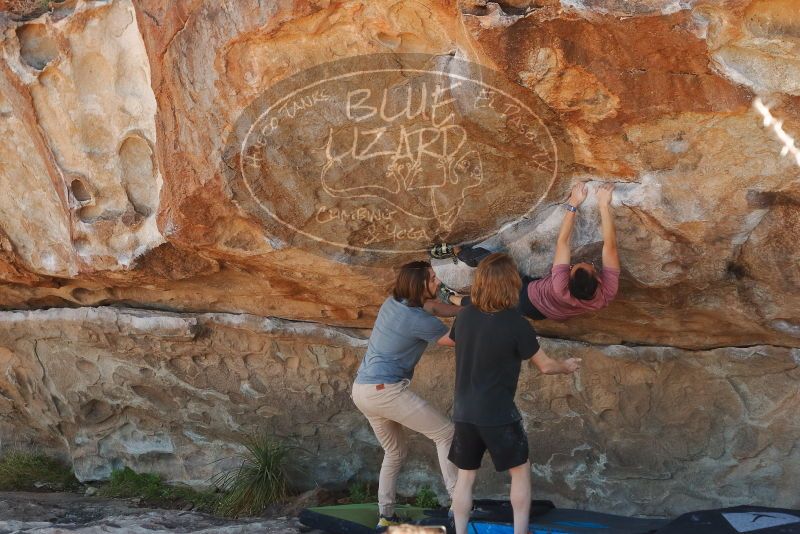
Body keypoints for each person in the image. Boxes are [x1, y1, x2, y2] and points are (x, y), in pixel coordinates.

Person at [447, 253, 581, 534]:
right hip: (497, 414)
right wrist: (565, 366)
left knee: (465, 478)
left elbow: (455, 340)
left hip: (463, 412)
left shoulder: (466, 316)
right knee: (519, 473)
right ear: (511, 284)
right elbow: (545, 367)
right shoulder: (516, 322)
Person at [352, 261, 459, 528]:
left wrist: (464, 307)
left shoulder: (395, 302)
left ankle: (386, 515)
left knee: (395, 452)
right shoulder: (417, 320)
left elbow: (433, 306)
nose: (438, 282)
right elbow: (453, 339)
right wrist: (478, 315)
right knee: (445, 433)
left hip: (362, 390)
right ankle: (460, 505)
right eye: (433, 279)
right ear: (419, 285)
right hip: (384, 390)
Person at [431, 182, 620, 321]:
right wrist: (604, 205)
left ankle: (459, 255)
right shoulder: (607, 293)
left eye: (573, 267)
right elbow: (610, 246)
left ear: (567, 279)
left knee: (495, 266)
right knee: (486, 304)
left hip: (527, 298)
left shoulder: (559, 284)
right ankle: (449, 295)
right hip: (544, 312)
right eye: (594, 267)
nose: (593, 265)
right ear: (597, 282)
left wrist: (573, 204)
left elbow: (563, 243)